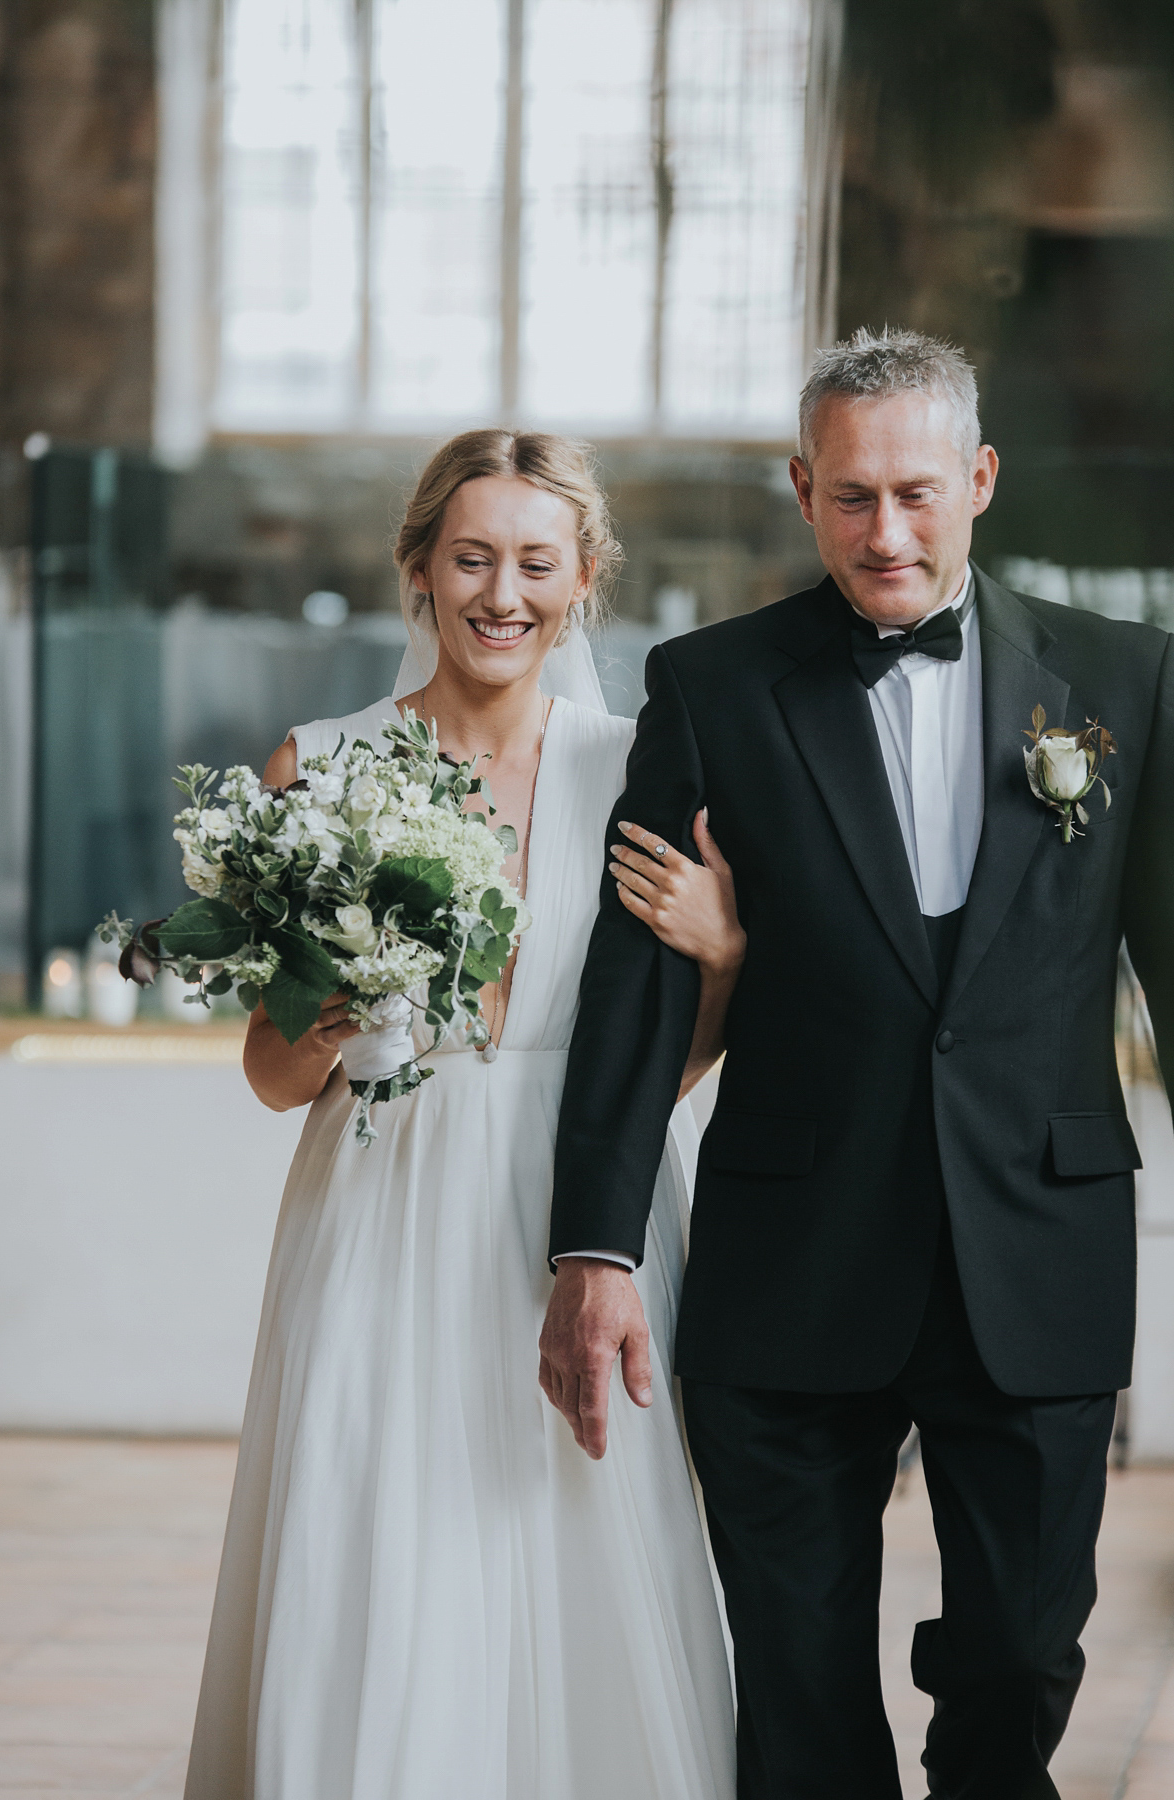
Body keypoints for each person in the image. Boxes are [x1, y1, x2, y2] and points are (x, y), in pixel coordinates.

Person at [542, 327, 1174, 1800]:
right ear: (801, 488)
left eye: (916, 493)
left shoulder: (1127, 684)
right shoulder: (709, 687)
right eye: (849, 498)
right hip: (793, 1254)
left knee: (1021, 1650)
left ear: (982, 478)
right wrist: (597, 1239)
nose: (886, 533)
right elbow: (640, 977)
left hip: (1038, 1245)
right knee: (796, 1666)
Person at [183, 429, 742, 1800]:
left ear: (584, 576)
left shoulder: (641, 772)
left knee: (580, 1534)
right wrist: (328, 1017)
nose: (503, 594)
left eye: (536, 563)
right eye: (472, 557)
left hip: (587, 1211)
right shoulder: (318, 768)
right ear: (419, 570)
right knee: (384, 1539)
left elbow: (667, 1066)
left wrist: (722, 957)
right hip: (383, 1209)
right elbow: (269, 1074)